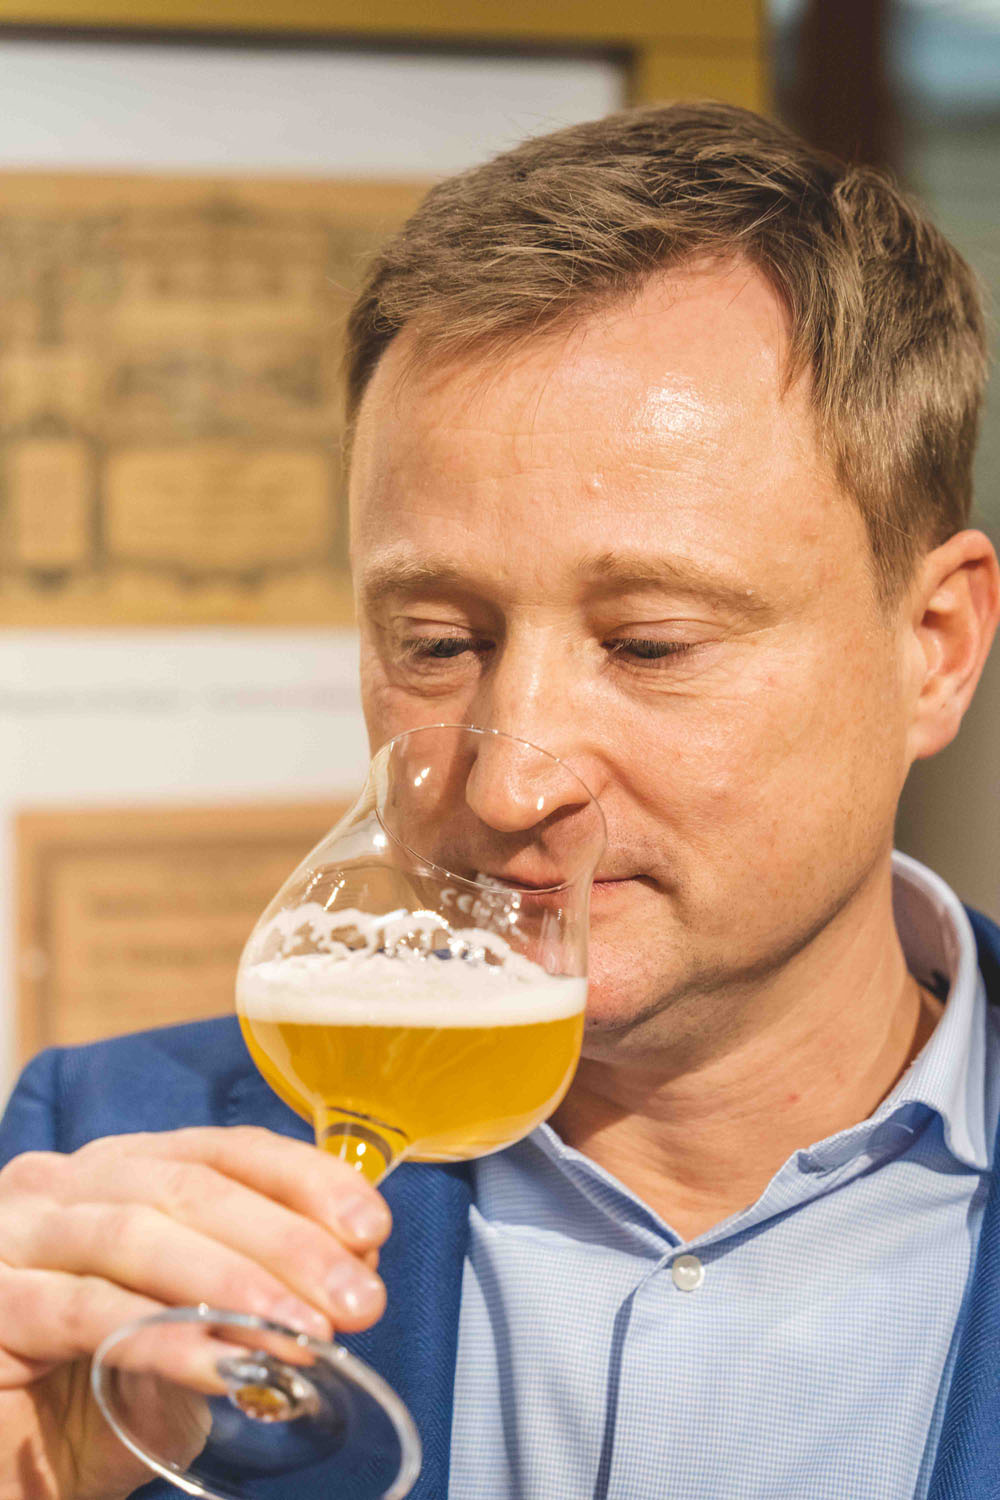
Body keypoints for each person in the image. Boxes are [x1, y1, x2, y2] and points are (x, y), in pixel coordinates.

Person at [1, 99, 999, 1500]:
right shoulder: (92, 1156)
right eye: (438, 643)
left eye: (650, 643)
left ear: (934, 648)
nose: (511, 775)